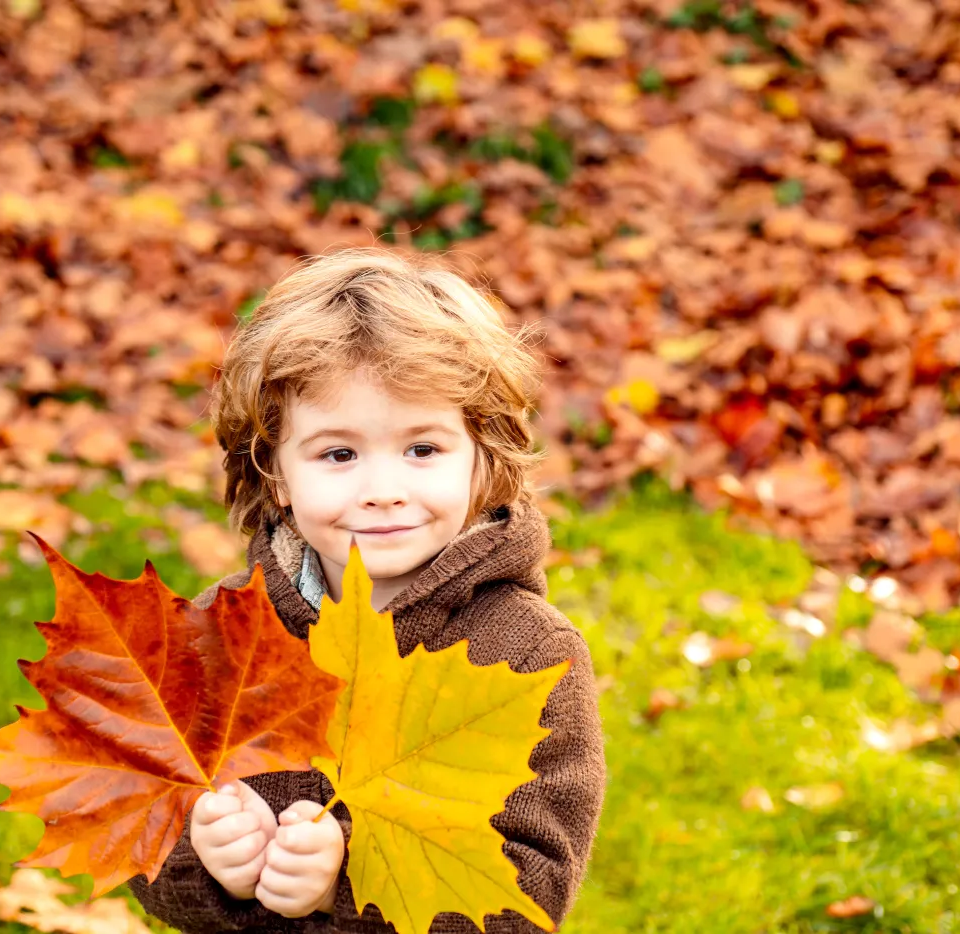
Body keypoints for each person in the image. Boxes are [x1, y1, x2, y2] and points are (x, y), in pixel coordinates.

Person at [128, 246, 606, 934]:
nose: (383, 492)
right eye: (339, 454)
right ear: (277, 476)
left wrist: (345, 890)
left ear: (483, 459)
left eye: (422, 449)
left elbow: (529, 896)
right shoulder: (221, 633)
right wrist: (204, 863)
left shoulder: (527, 654)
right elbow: (138, 823)